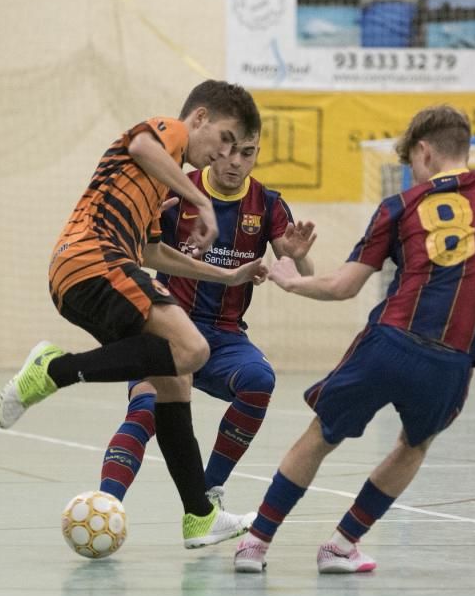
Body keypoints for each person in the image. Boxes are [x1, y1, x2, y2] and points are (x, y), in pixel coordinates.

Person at [232, 78, 475, 574]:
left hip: (389, 343)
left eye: (410, 164)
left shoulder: (398, 208)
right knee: (414, 445)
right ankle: (341, 546)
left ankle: (255, 544)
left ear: (424, 152)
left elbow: (343, 287)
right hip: (450, 359)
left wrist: (291, 281)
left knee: (322, 434)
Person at [0, 80, 265, 548]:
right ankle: (54, 369)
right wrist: (201, 200)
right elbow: (142, 143)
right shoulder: (167, 132)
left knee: (174, 383)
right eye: (223, 139)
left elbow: (154, 253)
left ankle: (200, 515)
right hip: (94, 257)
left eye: (239, 149)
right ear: (199, 118)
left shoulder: (159, 184)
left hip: (80, 272)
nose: (225, 156)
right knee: (193, 347)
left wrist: (228, 277)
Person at [99, 131, 316, 515]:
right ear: (215, 151)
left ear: (256, 156)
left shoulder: (267, 204)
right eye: (230, 152)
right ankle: (105, 506)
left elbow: (296, 271)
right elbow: (140, 252)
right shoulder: (178, 191)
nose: (236, 162)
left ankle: (207, 493)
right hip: (170, 326)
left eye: (247, 154)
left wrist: (299, 261)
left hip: (225, 338)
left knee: (259, 382)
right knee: (145, 404)